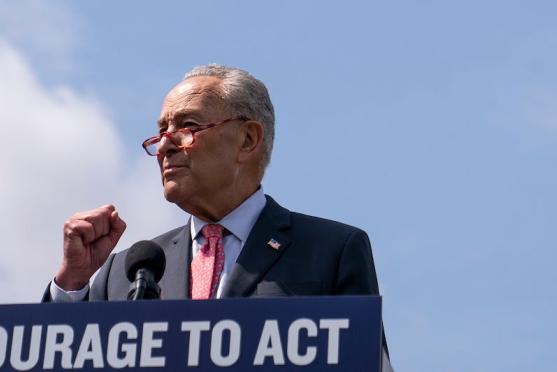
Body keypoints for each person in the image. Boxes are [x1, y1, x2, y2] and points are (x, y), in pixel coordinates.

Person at [43, 65, 389, 363]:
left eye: (187, 126)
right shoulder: (124, 273)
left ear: (248, 139)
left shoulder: (332, 251)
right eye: (161, 131)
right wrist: (73, 283)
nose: (164, 145)